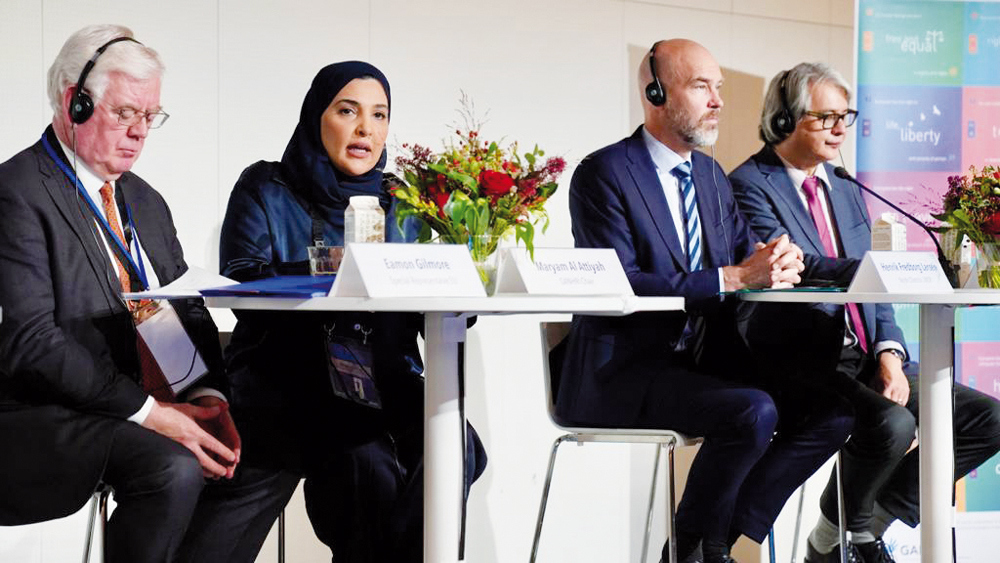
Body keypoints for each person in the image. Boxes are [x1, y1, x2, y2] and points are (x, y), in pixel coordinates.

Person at [558, 39, 854, 563]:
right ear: (655, 93)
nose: (718, 101)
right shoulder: (604, 173)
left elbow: (749, 259)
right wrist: (733, 277)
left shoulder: (710, 177)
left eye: (718, 87)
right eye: (701, 87)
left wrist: (794, 263)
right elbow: (620, 282)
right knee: (751, 411)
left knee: (834, 406)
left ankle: (729, 530)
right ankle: (698, 547)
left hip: (702, 364)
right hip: (624, 369)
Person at [0, 24, 274, 563]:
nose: (139, 132)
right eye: (124, 113)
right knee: (169, 466)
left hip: (136, 403)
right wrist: (151, 412)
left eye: (150, 117)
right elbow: (31, 344)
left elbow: (180, 313)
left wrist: (205, 399)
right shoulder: (18, 191)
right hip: (43, 412)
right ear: (72, 103)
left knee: (265, 452)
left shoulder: (145, 201)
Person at [729, 62, 1000, 563]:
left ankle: (843, 533)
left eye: (845, 116)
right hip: (805, 358)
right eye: (825, 116)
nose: (839, 128)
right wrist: (880, 271)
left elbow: (875, 284)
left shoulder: (844, 183)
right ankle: (858, 541)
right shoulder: (749, 183)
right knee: (892, 424)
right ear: (785, 120)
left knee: (987, 419)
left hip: (865, 353)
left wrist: (890, 353)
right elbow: (796, 263)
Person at [218, 61, 487, 563]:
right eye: (349, 111)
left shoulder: (403, 201)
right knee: (369, 466)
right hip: (291, 381)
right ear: (317, 117)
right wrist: (337, 267)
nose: (367, 128)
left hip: (388, 381)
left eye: (380, 115)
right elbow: (241, 275)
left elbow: (438, 306)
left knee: (458, 445)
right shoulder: (267, 187)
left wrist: (459, 269)